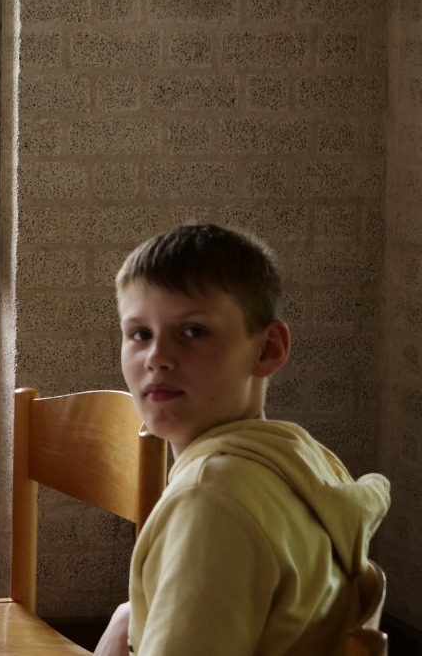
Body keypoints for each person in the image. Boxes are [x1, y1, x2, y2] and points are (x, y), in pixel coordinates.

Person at [94, 224, 390, 656]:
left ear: (268, 349)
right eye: (140, 334)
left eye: (193, 331)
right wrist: (130, 619)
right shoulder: (300, 459)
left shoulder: (209, 501)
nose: (156, 357)